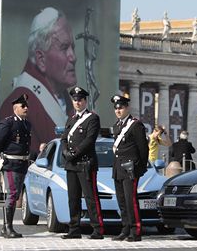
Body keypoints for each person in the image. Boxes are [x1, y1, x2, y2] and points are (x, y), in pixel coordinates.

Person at [0, 7, 77, 152]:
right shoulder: (17, 105)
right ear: (41, 59)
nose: (73, 57)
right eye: (64, 47)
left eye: (73, 47)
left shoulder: (68, 101)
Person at [60, 86, 104, 240]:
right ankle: (74, 228)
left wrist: (74, 153)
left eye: (80, 100)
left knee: (91, 197)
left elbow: (90, 140)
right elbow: (64, 138)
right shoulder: (71, 119)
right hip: (71, 164)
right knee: (73, 197)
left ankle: (97, 229)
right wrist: (65, 152)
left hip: (85, 164)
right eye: (75, 100)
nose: (77, 102)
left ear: (85, 101)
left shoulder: (92, 118)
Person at [0, 94, 32, 238]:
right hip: (10, 163)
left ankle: (5, 228)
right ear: (16, 108)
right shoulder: (8, 122)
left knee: (15, 195)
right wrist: (1, 154)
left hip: (22, 164)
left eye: (27, 105)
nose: (26, 108)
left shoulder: (27, 123)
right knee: (12, 193)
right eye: (23, 106)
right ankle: (8, 227)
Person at [110, 95, 148, 242]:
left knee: (130, 200)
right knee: (121, 201)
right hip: (118, 168)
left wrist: (140, 168)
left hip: (130, 168)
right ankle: (125, 228)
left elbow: (143, 149)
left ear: (127, 108)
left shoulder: (135, 125)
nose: (118, 110)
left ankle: (135, 230)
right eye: (116, 108)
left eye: (121, 107)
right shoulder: (117, 126)